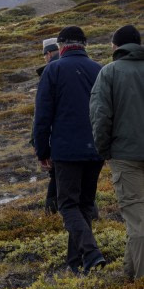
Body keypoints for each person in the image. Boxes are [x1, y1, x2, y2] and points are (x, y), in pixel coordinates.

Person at [34, 25, 106, 274]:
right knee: (85, 204)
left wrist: (42, 151)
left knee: (67, 205)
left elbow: (42, 116)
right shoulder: (100, 69)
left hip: (66, 151)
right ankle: (76, 263)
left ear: (61, 46)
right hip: (97, 148)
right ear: (84, 44)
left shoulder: (53, 70)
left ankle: (92, 252)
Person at [90, 24, 144, 279]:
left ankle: (140, 286)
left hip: (125, 156)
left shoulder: (109, 72)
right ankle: (129, 274)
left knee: (137, 219)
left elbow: (101, 117)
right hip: (128, 154)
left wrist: (104, 150)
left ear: (116, 46)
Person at [35, 37, 60, 214]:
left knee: (57, 178)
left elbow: (42, 116)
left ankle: (51, 215)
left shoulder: (49, 73)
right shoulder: (86, 67)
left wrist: (41, 149)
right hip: (87, 140)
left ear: (49, 53)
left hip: (58, 140)